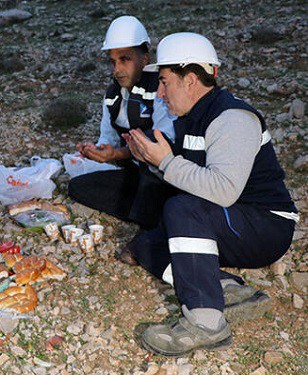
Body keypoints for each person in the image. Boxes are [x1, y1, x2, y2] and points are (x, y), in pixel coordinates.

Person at [122, 33, 298, 356]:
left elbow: (223, 189)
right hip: (231, 220)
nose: (160, 94)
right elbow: (189, 178)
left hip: (267, 226)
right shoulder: (191, 118)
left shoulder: (231, 117)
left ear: (190, 80)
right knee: (146, 244)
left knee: (181, 210)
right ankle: (223, 287)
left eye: (164, 82)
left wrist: (166, 162)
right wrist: (151, 160)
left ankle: (206, 322)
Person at [67, 16, 176, 253]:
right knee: (77, 187)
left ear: (145, 58)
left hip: (163, 174)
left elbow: (161, 142)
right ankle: (152, 213)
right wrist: (98, 152)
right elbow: (107, 137)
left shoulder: (161, 89)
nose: (117, 70)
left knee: (151, 171)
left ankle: (152, 224)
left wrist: (118, 153)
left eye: (124, 59)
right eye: (113, 61)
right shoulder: (112, 94)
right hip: (134, 173)